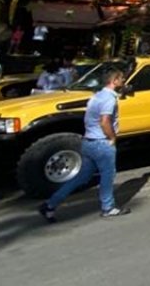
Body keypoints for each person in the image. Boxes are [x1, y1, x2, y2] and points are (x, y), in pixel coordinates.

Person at [39, 69, 130, 222]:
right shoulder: (109, 99)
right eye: (121, 79)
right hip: (101, 143)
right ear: (114, 81)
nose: (123, 82)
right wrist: (112, 137)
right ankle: (108, 208)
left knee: (81, 177)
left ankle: (50, 204)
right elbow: (105, 121)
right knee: (107, 176)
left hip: (88, 141)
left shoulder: (96, 96)